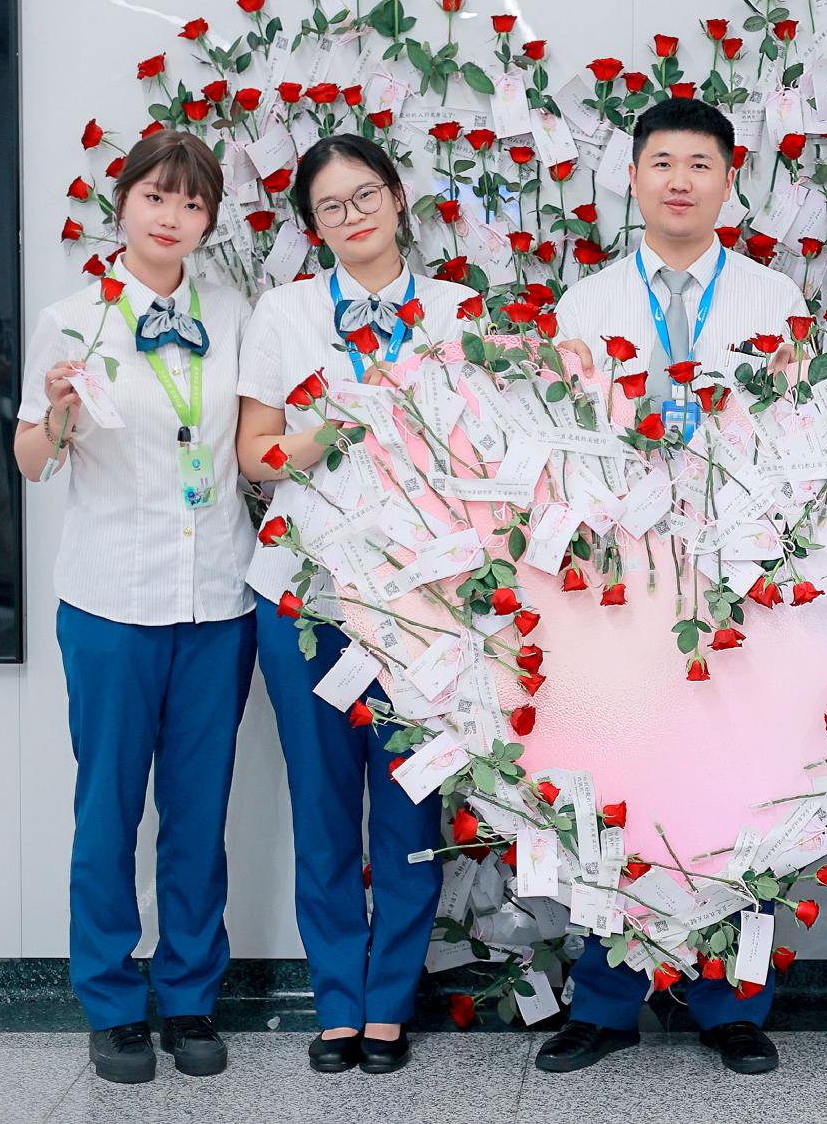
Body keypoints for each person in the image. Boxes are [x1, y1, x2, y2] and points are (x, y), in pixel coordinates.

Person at [538, 96, 808, 1076]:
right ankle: (605, 999)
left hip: (739, 579)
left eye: (699, 164)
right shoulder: (587, 305)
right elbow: (562, 446)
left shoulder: (773, 300)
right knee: (612, 779)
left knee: (743, 788)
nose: (680, 180)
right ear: (633, 178)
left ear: (730, 180)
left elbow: (800, 441)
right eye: (662, 162)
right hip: (621, 584)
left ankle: (730, 1001)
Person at [14, 130, 256, 1084]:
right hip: (111, 601)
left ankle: (190, 995)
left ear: (209, 220)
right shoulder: (72, 320)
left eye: (192, 204)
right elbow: (33, 461)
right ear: (121, 203)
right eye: (156, 196)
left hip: (218, 600)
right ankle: (112, 1004)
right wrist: (59, 414)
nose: (171, 217)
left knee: (198, 812)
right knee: (109, 809)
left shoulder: (233, 312)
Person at [235, 132, 461, 1074]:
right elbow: (254, 452)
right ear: (311, 226)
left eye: (366, 195)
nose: (353, 216)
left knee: (409, 806)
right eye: (331, 206)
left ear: (398, 198)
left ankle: (388, 1003)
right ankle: (337, 998)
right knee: (322, 802)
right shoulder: (285, 312)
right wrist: (323, 433)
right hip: (305, 595)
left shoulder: (457, 312)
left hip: (421, 601)